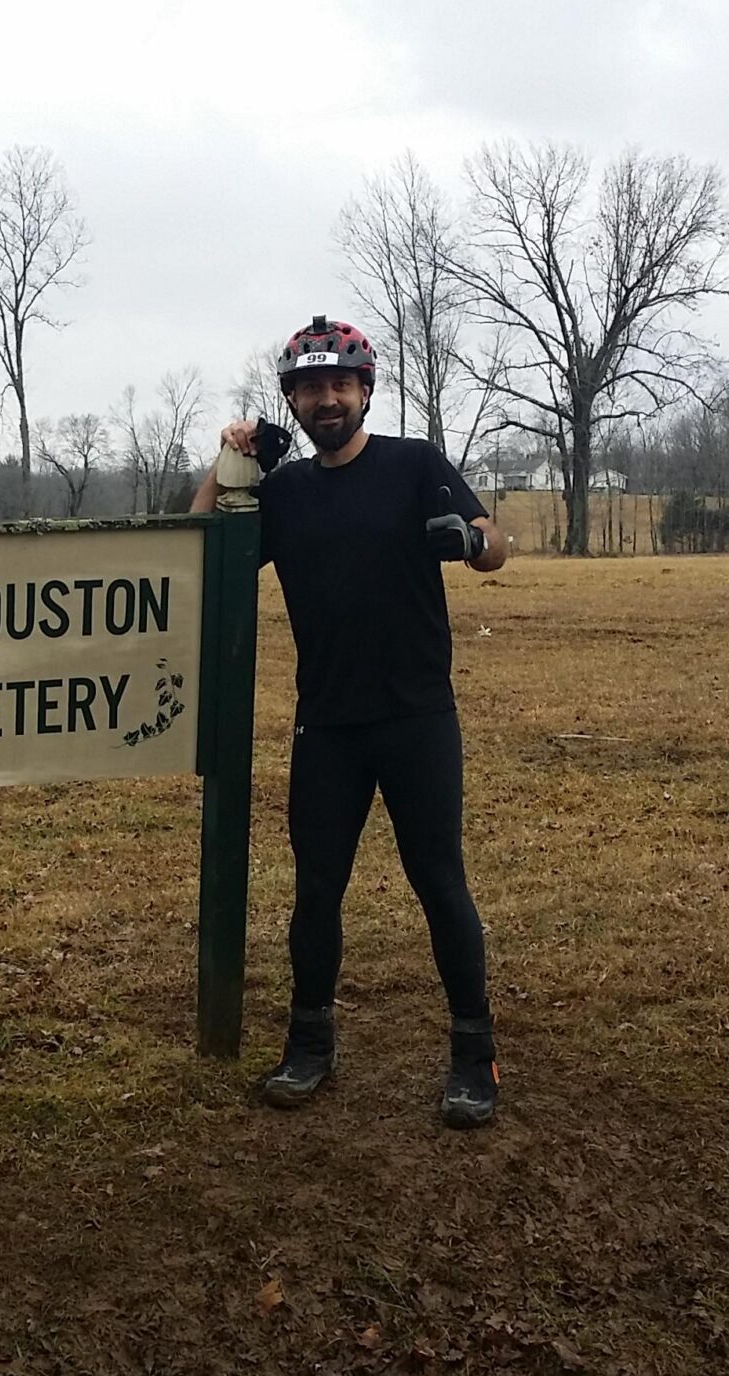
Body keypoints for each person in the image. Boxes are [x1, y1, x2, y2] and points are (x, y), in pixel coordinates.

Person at [190, 316, 510, 1127]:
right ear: (291, 400)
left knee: (439, 883)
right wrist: (231, 463)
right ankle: (310, 1044)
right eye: (309, 387)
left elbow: (494, 542)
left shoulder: (413, 465)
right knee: (317, 891)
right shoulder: (287, 491)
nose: (326, 399)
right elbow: (201, 554)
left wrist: (468, 540)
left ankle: (476, 1058)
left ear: (366, 390)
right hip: (327, 726)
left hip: (416, 718)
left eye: (341, 384)